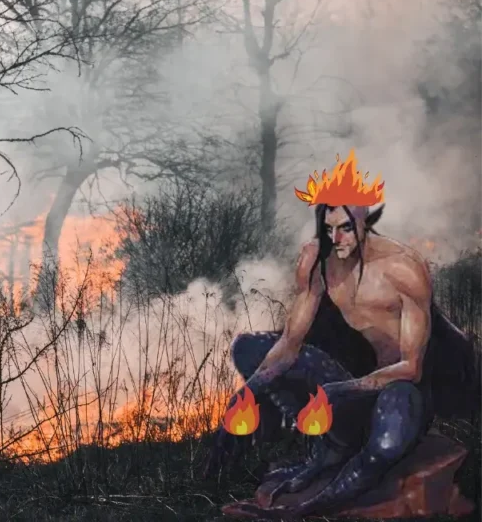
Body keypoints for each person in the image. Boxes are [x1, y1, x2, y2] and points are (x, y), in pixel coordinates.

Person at [203, 200, 478, 518]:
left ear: (366, 223)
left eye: (346, 228)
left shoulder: (403, 269)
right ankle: (328, 450)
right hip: (347, 386)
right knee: (249, 348)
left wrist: (338, 391)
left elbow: (412, 368)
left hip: (399, 388)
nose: (336, 238)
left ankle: (308, 506)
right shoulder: (317, 259)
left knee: (387, 444)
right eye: (328, 228)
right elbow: (289, 346)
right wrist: (246, 393)